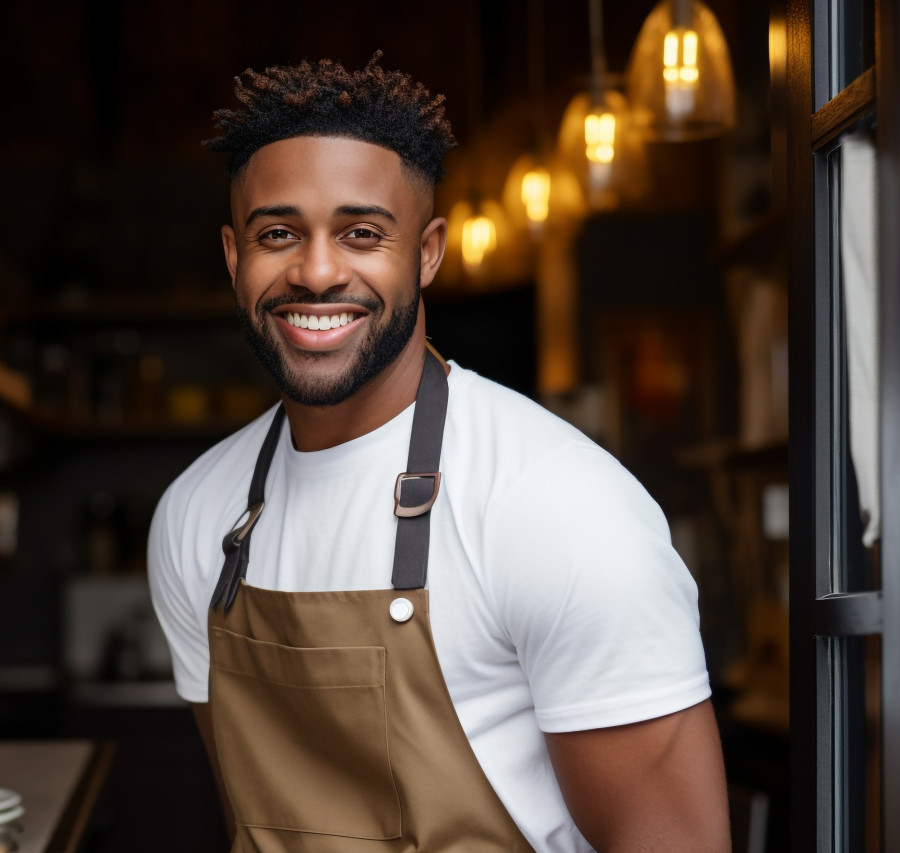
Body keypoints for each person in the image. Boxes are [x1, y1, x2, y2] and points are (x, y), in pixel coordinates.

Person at [148, 53, 730, 853]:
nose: (317, 272)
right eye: (278, 233)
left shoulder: (560, 506)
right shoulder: (195, 519)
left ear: (426, 253)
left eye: (361, 233)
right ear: (232, 256)